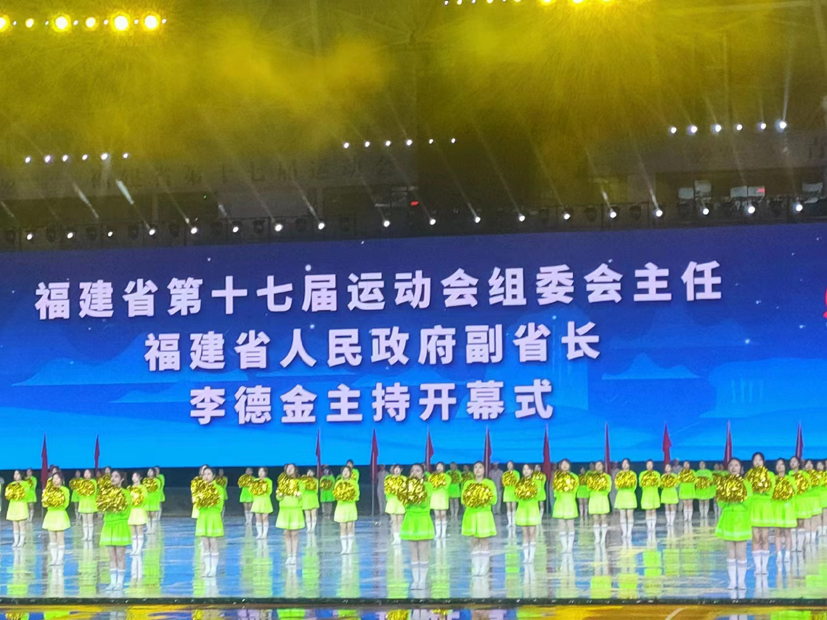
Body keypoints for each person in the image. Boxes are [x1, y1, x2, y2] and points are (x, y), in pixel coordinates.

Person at [715, 458, 751, 591]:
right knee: (730, 551)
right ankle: (732, 581)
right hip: (728, 518)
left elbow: (748, 503)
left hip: (741, 518)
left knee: (741, 552)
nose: (733, 467)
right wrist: (726, 496)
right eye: (731, 465)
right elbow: (721, 504)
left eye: (736, 465)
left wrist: (738, 495)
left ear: (741, 468)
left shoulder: (746, 484)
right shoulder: (724, 483)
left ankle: (741, 582)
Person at [400, 464, 434, 589]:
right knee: (413, 551)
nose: (414, 473)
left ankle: (423, 580)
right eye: (412, 470)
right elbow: (405, 504)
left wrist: (417, 488)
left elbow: (424, 503)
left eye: (418, 470)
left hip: (423, 518)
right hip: (410, 519)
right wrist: (409, 489)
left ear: (423, 474)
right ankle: (415, 580)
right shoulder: (406, 486)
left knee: (423, 550)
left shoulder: (428, 486)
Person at [461, 461, 497, 576]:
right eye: (475, 467)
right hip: (471, 515)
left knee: (484, 540)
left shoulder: (489, 483)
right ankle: (476, 567)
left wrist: (482, 499)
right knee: (474, 540)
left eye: (480, 467)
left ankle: (484, 567)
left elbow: (494, 499)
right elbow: (463, 499)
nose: (478, 469)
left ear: (484, 470)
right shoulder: (468, 483)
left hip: (484, 515)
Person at [98, 470, 132, 591]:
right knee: (111, 557)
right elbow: (101, 508)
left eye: (116, 476)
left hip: (120, 525)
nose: (113, 478)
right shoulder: (106, 493)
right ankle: (112, 582)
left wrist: (116, 507)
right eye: (112, 476)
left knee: (120, 556)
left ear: (122, 479)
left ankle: (120, 583)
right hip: (108, 525)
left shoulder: (125, 493)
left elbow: (127, 511)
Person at [745, 452, 775, 575]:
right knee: (755, 537)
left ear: (763, 462)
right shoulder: (748, 475)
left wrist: (762, 487)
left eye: (760, 460)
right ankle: (758, 567)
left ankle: (764, 566)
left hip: (765, 506)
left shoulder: (770, 475)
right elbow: (746, 491)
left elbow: (772, 491)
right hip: (753, 506)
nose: (757, 462)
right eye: (755, 460)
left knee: (765, 537)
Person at [194, 466, 224, 577]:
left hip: (213, 516)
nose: (206, 476)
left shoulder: (218, 488)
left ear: (213, 476)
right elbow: (196, 502)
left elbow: (220, 505)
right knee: (205, 543)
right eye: (204, 474)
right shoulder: (199, 488)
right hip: (203, 517)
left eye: (208, 474)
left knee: (213, 542)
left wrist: (209, 502)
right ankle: (207, 568)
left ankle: (213, 569)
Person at [276, 464, 305, 565]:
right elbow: (278, 497)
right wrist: (280, 495)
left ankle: (294, 556)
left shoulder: (300, 482)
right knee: (287, 533)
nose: (289, 469)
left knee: (294, 533)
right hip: (285, 510)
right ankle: (289, 556)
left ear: (295, 470)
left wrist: (298, 494)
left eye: (292, 468)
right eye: (288, 468)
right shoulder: (283, 482)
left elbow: (301, 495)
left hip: (295, 510)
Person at [42, 472, 71, 566]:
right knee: (52, 538)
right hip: (50, 514)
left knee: (60, 538)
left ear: (61, 479)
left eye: (57, 478)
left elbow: (66, 504)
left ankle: (60, 559)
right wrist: (45, 496)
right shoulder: (48, 490)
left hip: (60, 514)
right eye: (53, 478)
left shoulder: (65, 490)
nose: (55, 480)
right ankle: (54, 559)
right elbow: (44, 504)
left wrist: (57, 502)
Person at [771, 458, 796, 564]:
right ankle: (779, 554)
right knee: (777, 532)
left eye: (782, 464)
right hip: (776, 507)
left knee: (787, 532)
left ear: (785, 467)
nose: (780, 466)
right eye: (778, 464)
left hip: (787, 507)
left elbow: (794, 492)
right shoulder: (773, 479)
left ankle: (787, 554)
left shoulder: (790, 479)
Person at [515, 464, 541, 563]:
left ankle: (532, 556)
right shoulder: (519, 483)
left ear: (531, 471)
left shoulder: (536, 482)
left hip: (532, 509)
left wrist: (530, 493)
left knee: (532, 532)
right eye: (524, 469)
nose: (526, 471)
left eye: (528, 469)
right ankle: (526, 557)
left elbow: (538, 495)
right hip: (522, 509)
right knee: (524, 533)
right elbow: (516, 496)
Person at [551, 459, 578, 552]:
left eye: (566, 464)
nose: (564, 465)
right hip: (560, 502)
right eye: (562, 464)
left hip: (570, 502)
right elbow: (555, 490)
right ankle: (564, 546)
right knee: (561, 524)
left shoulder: (574, 477)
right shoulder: (557, 477)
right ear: (560, 466)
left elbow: (575, 489)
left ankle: (569, 546)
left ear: (569, 465)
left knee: (570, 524)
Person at [333, 466, 359, 554]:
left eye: (347, 471)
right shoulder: (338, 483)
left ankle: (349, 548)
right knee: (342, 527)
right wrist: (341, 496)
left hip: (350, 506)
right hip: (341, 507)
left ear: (350, 473)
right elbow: (335, 494)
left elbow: (357, 494)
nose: (345, 472)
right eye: (344, 471)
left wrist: (349, 496)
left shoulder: (354, 483)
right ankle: (344, 548)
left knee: (350, 526)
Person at [789, 456, 813, 551]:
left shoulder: (804, 474)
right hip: (792, 501)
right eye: (791, 462)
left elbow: (809, 487)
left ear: (798, 463)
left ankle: (800, 545)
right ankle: (793, 545)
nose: (792, 463)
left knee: (801, 523)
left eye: (794, 461)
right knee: (793, 523)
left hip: (801, 500)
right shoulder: (788, 475)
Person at [588, 461, 611, 544]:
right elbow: (588, 488)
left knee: (603, 518)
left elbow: (608, 488)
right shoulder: (591, 476)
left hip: (603, 498)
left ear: (603, 466)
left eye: (600, 464)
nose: (598, 466)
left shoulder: (607, 477)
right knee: (595, 518)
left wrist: (602, 492)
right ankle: (597, 537)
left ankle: (603, 538)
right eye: (597, 465)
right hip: (594, 498)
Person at [614, 458, 637, 540]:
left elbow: (634, 486)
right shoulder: (619, 474)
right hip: (621, 495)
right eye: (623, 463)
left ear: (629, 465)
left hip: (630, 495)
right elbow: (616, 486)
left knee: (629, 515)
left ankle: (629, 532)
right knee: (622, 514)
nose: (624, 464)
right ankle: (624, 532)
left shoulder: (633, 474)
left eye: (626, 463)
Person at [5, 471, 29, 547]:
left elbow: (26, 494)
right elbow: (8, 495)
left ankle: (22, 540)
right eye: (15, 474)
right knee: (15, 524)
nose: (16, 475)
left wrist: (18, 493)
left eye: (17, 474)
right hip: (13, 505)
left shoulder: (25, 484)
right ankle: (16, 541)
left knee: (21, 524)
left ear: (21, 475)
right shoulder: (11, 484)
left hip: (21, 505)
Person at [385, 464, 406, 544]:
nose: (397, 470)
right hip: (392, 501)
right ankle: (395, 538)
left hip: (401, 501)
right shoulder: (389, 478)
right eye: (395, 469)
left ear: (401, 470)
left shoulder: (404, 479)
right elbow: (386, 490)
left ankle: (399, 538)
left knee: (400, 521)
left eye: (398, 469)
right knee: (394, 521)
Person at [127, 472, 148, 555]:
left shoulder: (142, 488)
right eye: (133, 476)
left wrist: (138, 502)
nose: (134, 478)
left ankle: (139, 549)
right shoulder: (130, 488)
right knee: (132, 530)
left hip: (139, 510)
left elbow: (145, 498)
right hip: (131, 511)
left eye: (135, 476)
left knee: (139, 529)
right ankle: (134, 548)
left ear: (140, 478)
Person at [429, 462, 450, 542]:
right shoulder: (432, 476)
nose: (439, 468)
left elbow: (446, 486)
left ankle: (443, 533)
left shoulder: (447, 477)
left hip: (443, 496)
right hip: (435, 497)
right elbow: (431, 486)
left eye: (441, 466)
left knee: (443, 515)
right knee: (437, 515)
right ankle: (438, 533)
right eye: (438, 466)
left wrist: (439, 483)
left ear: (443, 468)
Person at [251, 467, 274, 539]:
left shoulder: (268, 481)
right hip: (257, 500)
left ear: (265, 472)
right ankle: (259, 533)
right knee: (258, 517)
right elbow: (251, 490)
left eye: (262, 471)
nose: (260, 473)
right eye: (259, 471)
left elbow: (269, 491)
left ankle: (264, 534)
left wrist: (262, 491)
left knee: (265, 517)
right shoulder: (255, 481)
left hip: (265, 500)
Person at [639, 460, 661, 534]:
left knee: (653, 510)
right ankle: (649, 527)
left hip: (654, 493)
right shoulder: (642, 474)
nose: (649, 465)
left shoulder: (656, 474)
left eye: (650, 464)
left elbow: (659, 484)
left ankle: (653, 526)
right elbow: (640, 484)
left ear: (653, 465)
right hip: (646, 494)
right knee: (648, 511)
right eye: (648, 464)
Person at [76, 469, 98, 541]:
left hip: (90, 502)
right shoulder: (82, 482)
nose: (86, 474)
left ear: (91, 474)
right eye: (85, 472)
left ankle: (90, 536)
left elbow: (92, 491)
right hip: (83, 502)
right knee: (84, 520)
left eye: (88, 473)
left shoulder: (93, 481)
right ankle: (85, 536)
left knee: (90, 520)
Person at [301, 468, 320, 533]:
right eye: (308, 472)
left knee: (313, 514)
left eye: (311, 472)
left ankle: (313, 528)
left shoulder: (316, 481)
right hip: (306, 498)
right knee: (307, 515)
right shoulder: (303, 480)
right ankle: (308, 528)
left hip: (313, 498)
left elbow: (316, 490)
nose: (309, 473)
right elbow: (301, 489)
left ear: (314, 473)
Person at [501, 461, 519, 527]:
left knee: (513, 507)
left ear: (513, 465)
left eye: (510, 464)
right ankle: (509, 522)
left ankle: (514, 522)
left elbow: (517, 481)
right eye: (508, 464)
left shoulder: (516, 473)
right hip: (507, 492)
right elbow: (503, 482)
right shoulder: (505, 474)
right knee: (508, 507)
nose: (509, 465)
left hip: (514, 491)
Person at [143, 468, 161, 532]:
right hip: (147, 499)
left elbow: (156, 488)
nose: (149, 472)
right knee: (147, 514)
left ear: (154, 472)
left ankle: (153, 529)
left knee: (153, 514)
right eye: (148, 471)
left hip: (153, 499)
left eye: (151, 471)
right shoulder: (145, 480)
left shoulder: (157, 480)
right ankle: (148, 529)